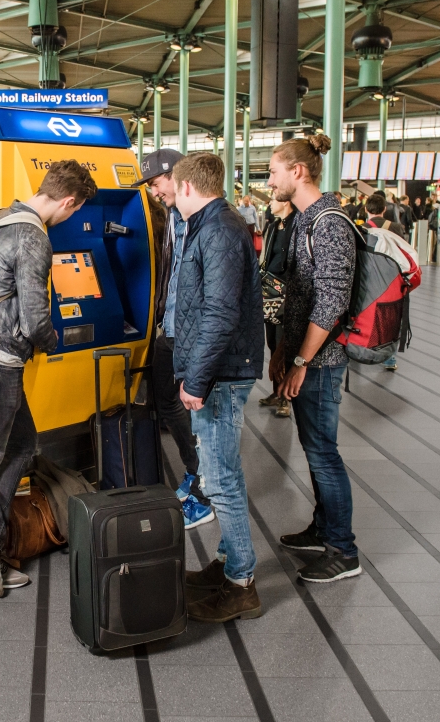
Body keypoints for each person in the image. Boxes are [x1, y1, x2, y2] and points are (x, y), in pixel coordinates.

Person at [0, 160, 97, 598]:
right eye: (74, 212)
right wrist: (54, 342)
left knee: (18, 446)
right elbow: (36, 318)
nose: (71, 219)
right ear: (69, 201)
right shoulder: (34, 236)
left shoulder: (0, 218)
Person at [167, 153, 264, 622]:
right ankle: (228, 562)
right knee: (225, 472)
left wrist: (196, 378)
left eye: (170, 188)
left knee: (219, 479)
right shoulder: (214, 225)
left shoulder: (220, 230)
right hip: (218, 370)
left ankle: (241, 581)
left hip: (220, 374)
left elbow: (220, 313)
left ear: (187, 187)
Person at [267, 135, 361, 584]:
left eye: (273, 172)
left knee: (324, 453)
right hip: (304, 354)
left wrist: (302, 363)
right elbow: (299, 297)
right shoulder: (306, 219)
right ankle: (324, 527)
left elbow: (332, 302)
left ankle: (343, 550)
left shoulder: (329, 223)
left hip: (322, 362)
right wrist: (283, 351)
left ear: (297, 171)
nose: (270, 182)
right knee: (313, 448)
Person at [134, 148, 215, 529]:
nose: (152, 191)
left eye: (155, 183)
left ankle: (205, 490)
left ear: (178, 177)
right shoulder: (172, 219)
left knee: (199, 413)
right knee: (167, 401)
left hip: (192, 335)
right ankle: (193, 472)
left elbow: (217, 301)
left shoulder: (207, 224)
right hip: (169, 328)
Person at [257, 197, 295, 417]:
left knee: (284, 345)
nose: (269, 204)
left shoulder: (297, 225)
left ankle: (285, 398)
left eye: (273, 200)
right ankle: (276, 391)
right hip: (270, 291)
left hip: (288, 293)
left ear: (286, 202)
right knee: (272, 342)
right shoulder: (272, 226)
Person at [363, 195, 401, 371]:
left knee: (361, 314)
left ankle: (358, 349)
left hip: (367, 278)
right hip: (390, 279)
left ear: (366, 209)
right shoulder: (395, 228)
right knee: (388, 318)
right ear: (385, 209)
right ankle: (389, 358)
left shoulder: (361, 228)